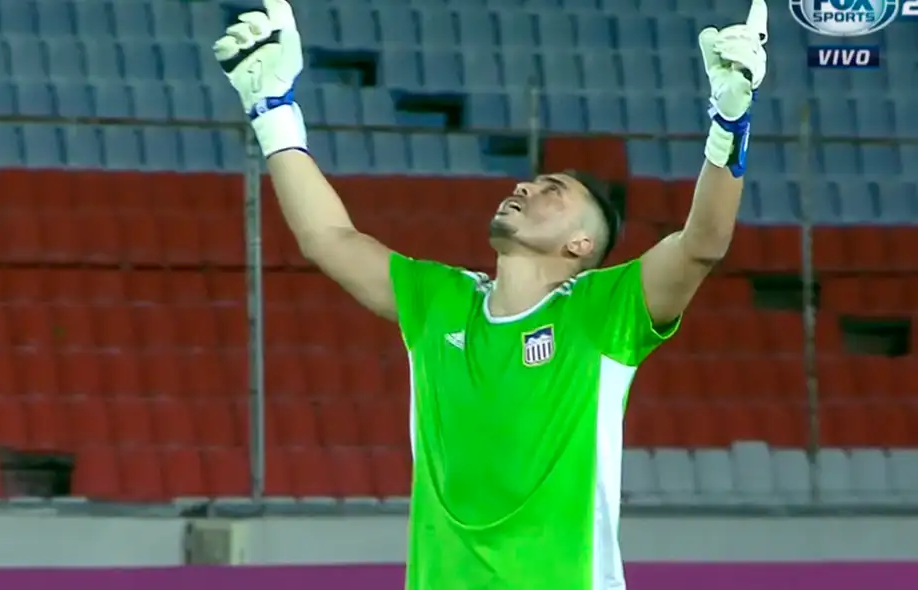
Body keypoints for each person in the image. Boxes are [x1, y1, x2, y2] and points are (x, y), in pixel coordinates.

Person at [212, 1, 768, 588]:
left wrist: (728, 123)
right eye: (532, 180)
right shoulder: (439, 301)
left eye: (552, 190)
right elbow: (328, 237)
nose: (525, 185)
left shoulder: (601, 314)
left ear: (581, 245)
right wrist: (273, 111)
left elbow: (703, 242)